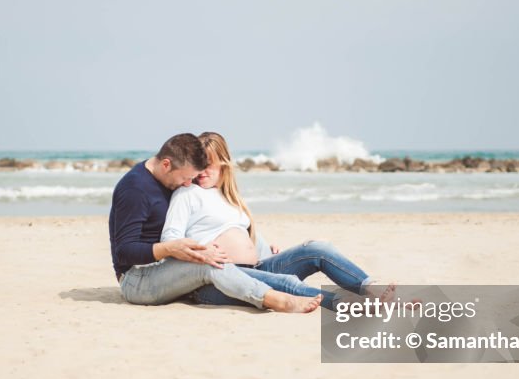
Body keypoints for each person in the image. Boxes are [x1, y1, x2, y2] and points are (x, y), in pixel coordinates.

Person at [161, 132, 395, 311]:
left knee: (317, 249)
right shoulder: (187, 194)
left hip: (258, 267)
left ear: (223, 164)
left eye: (208, 165)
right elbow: (170, 239)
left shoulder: (230, 197)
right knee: (286, 281)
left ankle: (372, 288)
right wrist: (201, 251)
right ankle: (351, 306)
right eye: (199, 166)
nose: (201, 172)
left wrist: (264, 250)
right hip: (219, 280)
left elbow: (242, 235)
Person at [109, 133, 322, 313]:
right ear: (166, 164)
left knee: (314, 250)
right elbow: (124, 252)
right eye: (185, 178)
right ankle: (279, 300)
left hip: (167, 270)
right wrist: (170, 248)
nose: (187, 184)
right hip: (137, 279)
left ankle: (340, 298)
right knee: (209, 265)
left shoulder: (170, 179)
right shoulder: (135, 189)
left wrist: (262, 248)